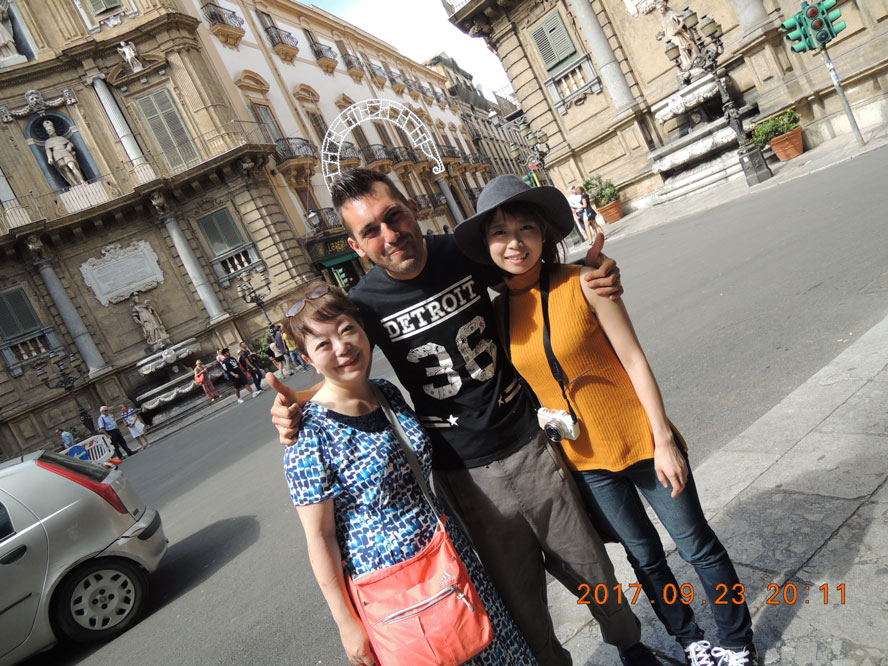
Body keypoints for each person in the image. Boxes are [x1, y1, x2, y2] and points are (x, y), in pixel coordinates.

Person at [269, 169, 661, 666]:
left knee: (593, 572)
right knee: (522, 607)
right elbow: (343, 362)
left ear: (413, 207)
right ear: (356, 244)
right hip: (465, 477)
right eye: (371, 231)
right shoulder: (365, 303)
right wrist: (300, 400)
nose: (390, 235)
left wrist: (591, 273)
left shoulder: (464, 252)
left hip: (530, 443)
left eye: (394, 216)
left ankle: (632, 648)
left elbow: (533, 275)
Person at [453, 174, 761, 666]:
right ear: (487, 245)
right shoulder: (495, 314)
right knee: (644, 557)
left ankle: (738, 642)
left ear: (543, 234)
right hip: (586, 463)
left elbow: (634, 359)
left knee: (697, 545)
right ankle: (690, 640)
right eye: (500, 232)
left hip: (643, 443)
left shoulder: (585, 282)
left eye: (526, 228)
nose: (515, 243)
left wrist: (664, 440)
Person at [283, 281, 536, 666]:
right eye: (323, 344)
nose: (342, 347)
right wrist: (345, 622)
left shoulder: (385, 392)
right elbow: (320, 536)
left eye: (347, 330)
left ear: (363, 330)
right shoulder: (308, 434)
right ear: (308, 359)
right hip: (395, 589)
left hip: (448, 556)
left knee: (498, 653)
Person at [43, 119, 85, 186]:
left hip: (65, 152)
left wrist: (69, 146)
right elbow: (48, 150)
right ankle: (75, 184)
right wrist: (50, 158)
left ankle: (82, 181)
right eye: (47, 130)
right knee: (66, 170)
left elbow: (70, 143)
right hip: (57, 155)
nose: (49, 131)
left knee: (72, 166)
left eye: (50, 129)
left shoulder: (61, 138)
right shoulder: (48, 142)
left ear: (53, 129)